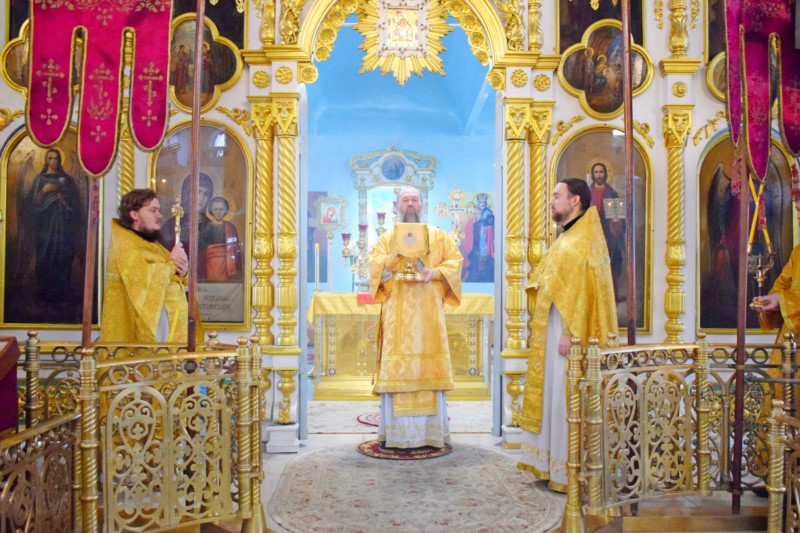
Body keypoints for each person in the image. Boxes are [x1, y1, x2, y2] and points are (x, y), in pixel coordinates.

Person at [518, 178, 618, 491]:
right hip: (551, 328)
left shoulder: (582, 239)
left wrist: (570, 332)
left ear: (575, 200)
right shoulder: (570, 235)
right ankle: (550, 464)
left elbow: (585, 292)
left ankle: (567, 471)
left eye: (556, 195)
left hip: (566, 333)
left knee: (564, 397)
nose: (551, 201)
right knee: (552, 394)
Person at [367, 186, 463, 449]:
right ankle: (397, 435)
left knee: (427, 366)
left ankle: (430, 433)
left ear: (422, 203)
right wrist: (393, 258)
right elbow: (375, 267)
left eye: (414, 199)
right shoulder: (388, 238)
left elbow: (455, 262)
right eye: (405, 200)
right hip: (397, 313)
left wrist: (435, 273)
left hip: (428, 313)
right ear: (397, 205)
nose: (410, 204)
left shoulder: (438, 236)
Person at [100, 189, 191, 343]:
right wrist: (171, 265)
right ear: (134, 214)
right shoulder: (125, 245)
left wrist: (183, 271)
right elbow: (143, 283)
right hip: (148, 336)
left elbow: (176, 279)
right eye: (152, 210)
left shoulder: (154, 246)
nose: (159, 215)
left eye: (159, 211)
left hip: (170, 333)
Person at [28, 148, 81, 305]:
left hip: (63, 227)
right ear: (46, 160)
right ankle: (44, 294)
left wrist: (64, 202)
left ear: (60, 160)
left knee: (62, 256)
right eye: (50, 158)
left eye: (56, 158)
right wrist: (44, 191)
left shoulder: (66, 180)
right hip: (45, 228)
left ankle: (61, 295)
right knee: (45, 257)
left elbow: (76, 207)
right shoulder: (40, 180)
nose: (53, 161)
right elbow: (31, 205)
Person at [159, 172, 214, 278]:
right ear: (187, 193)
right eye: (198, 192)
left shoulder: (211, 225)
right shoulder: (171, 226)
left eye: (206, 194)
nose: (201, 198)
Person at [589, 162, 625, 299]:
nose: (599, 175)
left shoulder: (612, 193)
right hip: (591, 233)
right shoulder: (587, 192)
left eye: (601, 172)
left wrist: (616, 222)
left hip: (608, 234)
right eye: (596, 172)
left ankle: (609, 295)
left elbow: (619, 217)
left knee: (609, 263)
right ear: (592, 174)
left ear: (605, 174)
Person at [200, 196, 242, 281]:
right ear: (211, 211)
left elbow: (235, 247)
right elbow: (203, 246)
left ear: (226, 211)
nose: (218, 212)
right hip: (212, 262)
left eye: (221, 209)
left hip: (227, 261)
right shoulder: (208, 227)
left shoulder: (230, 227)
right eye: (215, 209)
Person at [461, 192, 495, 282]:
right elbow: (469, 226)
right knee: (475, 257)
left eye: (483, 203)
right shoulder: (475, 214)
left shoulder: (489, 214)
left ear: (486, 204)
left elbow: (491, 226)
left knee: (487, 260)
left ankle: (488, 278)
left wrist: (487, 226)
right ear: (478, 204)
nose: (482, 204)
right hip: (477, 242)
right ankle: (474, 277)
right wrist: (472, 223)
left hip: (486, 241)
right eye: (480, 203)